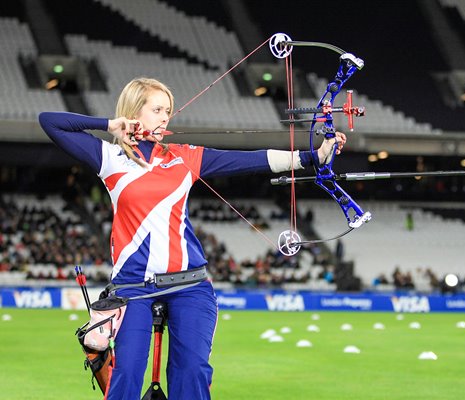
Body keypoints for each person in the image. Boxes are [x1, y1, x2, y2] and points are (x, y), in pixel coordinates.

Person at [39, 77, 347, 399]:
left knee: (191, 373)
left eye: (167, 111)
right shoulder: (109, 158)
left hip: (190, 285)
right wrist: (110, 124)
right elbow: (50, 122)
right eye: (156, 109)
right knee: (126, 374)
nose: (164, 117)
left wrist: (313, 156)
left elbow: (250, 160)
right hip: (132, 288)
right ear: (134, 112)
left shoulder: (184, 157)